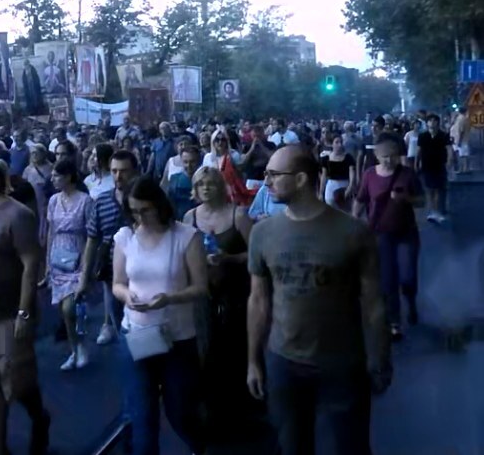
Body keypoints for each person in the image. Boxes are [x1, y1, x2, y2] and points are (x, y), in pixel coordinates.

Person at [247, 145, 391, 455]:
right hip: (284, 361)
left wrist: (379, 358)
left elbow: (373, 303)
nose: (266, 181)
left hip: (342, 362)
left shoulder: (353, 232)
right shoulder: (262, 233)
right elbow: (258, 301)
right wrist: (253, 361)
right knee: (292, 446)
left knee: (349, 446)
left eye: (273, 174)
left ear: (300, 179)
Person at [111, 178, 208, 455]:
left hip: (177, 337)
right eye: (134, 211)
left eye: (145, 210)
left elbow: (200, 287)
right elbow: (118, 283)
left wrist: (169, 298)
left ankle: (197, 443)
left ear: (158, 205)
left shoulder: (185, 236)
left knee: (181, 410)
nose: (140, 217)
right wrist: (127, 296)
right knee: (142, 416)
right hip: (138, 334)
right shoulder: (125, 237)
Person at [0, 162, 51, 455]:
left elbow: (31, 265)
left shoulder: (18, 215)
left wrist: (24, 312)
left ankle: (40, 418)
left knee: (18, 382)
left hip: (8, 315)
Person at [183, 167, 255, 438]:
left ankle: (240, 412)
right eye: (200, 184)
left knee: (234, 348)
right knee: (205, 349)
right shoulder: (189, 217)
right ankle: (211, 413)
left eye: (210, 183)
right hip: (203, 294)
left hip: (235, 293)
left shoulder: (239, 215)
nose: (205, 188)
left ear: (220, 186)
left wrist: (230, 258)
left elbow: (256, 254)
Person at [353, 133, 423, 340]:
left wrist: (406, 199)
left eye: (392, 155)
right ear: (376, 155)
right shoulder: (369, 175)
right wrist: (354, 221)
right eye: (384, 156)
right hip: (380, 234)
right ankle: (394, 322)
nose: (388, 160)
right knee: (388, 280)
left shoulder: (408, 174)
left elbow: (422, 201)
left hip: (406, 233)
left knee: (407, 276)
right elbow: (360, 199)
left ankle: (410, 300)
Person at [79, 150, 138, 346]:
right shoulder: (102, 201)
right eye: (114, 171)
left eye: (124, 171)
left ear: (135, 171)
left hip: (142, 273)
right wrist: (84, 278)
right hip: (112, 273)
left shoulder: (146, 200)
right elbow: (92, 240)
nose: (118, 176)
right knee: (119, 323)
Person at [45, 159, 94, 371]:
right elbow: (51, 231)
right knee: (64, 310)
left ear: (68, 177)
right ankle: (74, 349)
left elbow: (91, 234)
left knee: (71, 307)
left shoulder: (85, 200)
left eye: (56, 175)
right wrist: (47, 260)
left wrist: (87, 264)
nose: (52, 179)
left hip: (78, 251)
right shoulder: (54, 200)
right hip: (58, 254)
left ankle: (81, 345)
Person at [416, 113, 453, 223]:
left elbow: (449, 149)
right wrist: (416, 163)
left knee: (438, 189)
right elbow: (419, 150)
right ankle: (432, 211)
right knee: (429, 190)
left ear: (438, 122)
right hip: (427, 166)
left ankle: (438, 211)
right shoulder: (423, 136)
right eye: (430, 121)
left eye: (434, 121)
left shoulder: (443, 135)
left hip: (439, 165)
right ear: (427, 123)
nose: (432, 123)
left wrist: (449, 161)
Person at [22, 144, 54, 246]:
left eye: (36, 153)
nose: (34, 155)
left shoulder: (51, 168)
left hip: (44, 200)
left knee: (44, 221)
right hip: (31, 200)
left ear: (43, 154)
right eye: (32, 153)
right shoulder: (28, 169)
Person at [319, 134, 356, 209]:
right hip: (331, 185)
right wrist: (321, 192)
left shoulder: (348, 157)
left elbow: (352, 173)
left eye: (341, 142)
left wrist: (350, 187)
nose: (339, 145)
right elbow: (324, 176)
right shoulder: (326, 158)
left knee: (344, 208)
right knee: (330, 206)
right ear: (332, 144)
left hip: (344, 185)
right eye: (337, 142)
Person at [450, 106, 471, 173]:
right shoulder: (462, 119)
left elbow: (461, 131)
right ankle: (464, 169)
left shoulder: (461, 119)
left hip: (461, 140)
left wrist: (459, 141)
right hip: (460, 140)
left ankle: (463, 169)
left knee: (463, 155)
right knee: (463, 155)